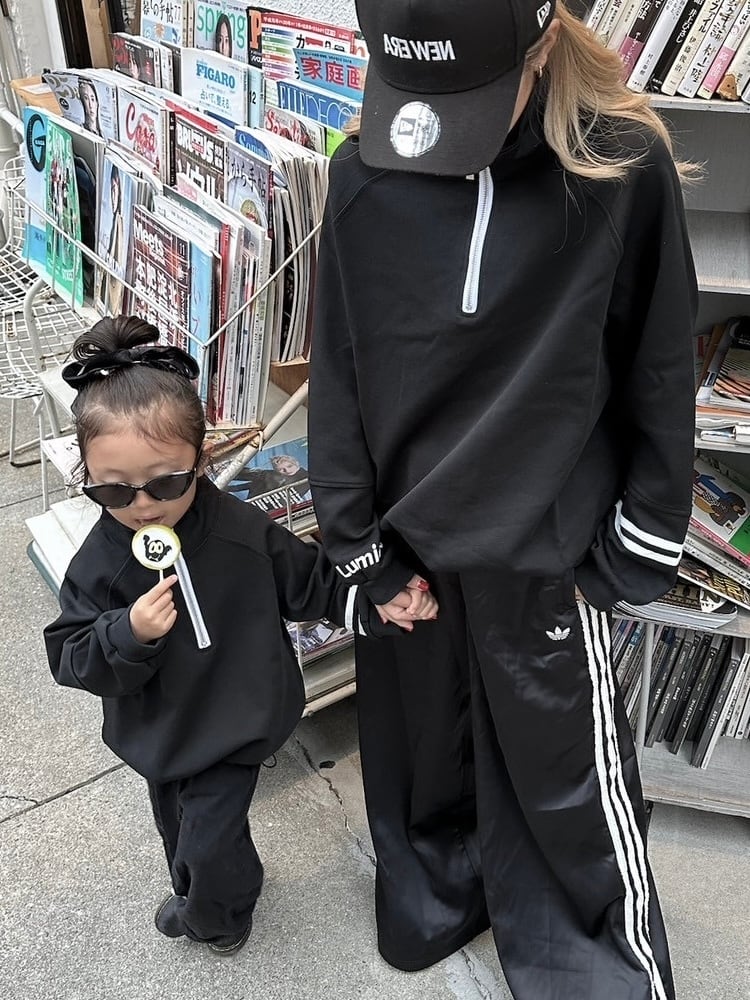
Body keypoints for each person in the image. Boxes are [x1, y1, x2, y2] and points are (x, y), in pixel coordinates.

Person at [307, 1, 698, 998]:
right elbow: (339, 368)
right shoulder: (360, 171)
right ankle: (441, 897)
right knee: (423, 770)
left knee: (569, 793)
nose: (436, 127)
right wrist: (359, 549)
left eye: (470, 93)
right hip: (406, 550)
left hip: (547, 554)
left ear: (543, 37)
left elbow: (658, 365)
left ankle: (595, 969)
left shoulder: (622, 169)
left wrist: (642, 536)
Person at [43, 316, 436, 956]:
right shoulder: (101, 564)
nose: (142, 505)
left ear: (201, 460)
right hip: (162, 730)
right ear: (87, 473)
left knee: (209, 842)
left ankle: (217, 919)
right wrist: (127, 632)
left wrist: (377, 604)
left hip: (237, 720)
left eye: (166, 482)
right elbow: (70, 654)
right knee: (181, 831)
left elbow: (310, 581)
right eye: (111, 489)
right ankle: (200, 886)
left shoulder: (239, 531)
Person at [96, 163, 125, 316]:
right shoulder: (111, 223)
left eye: (116, 189)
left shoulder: (121, 224)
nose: (114, 194)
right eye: (112, 189)